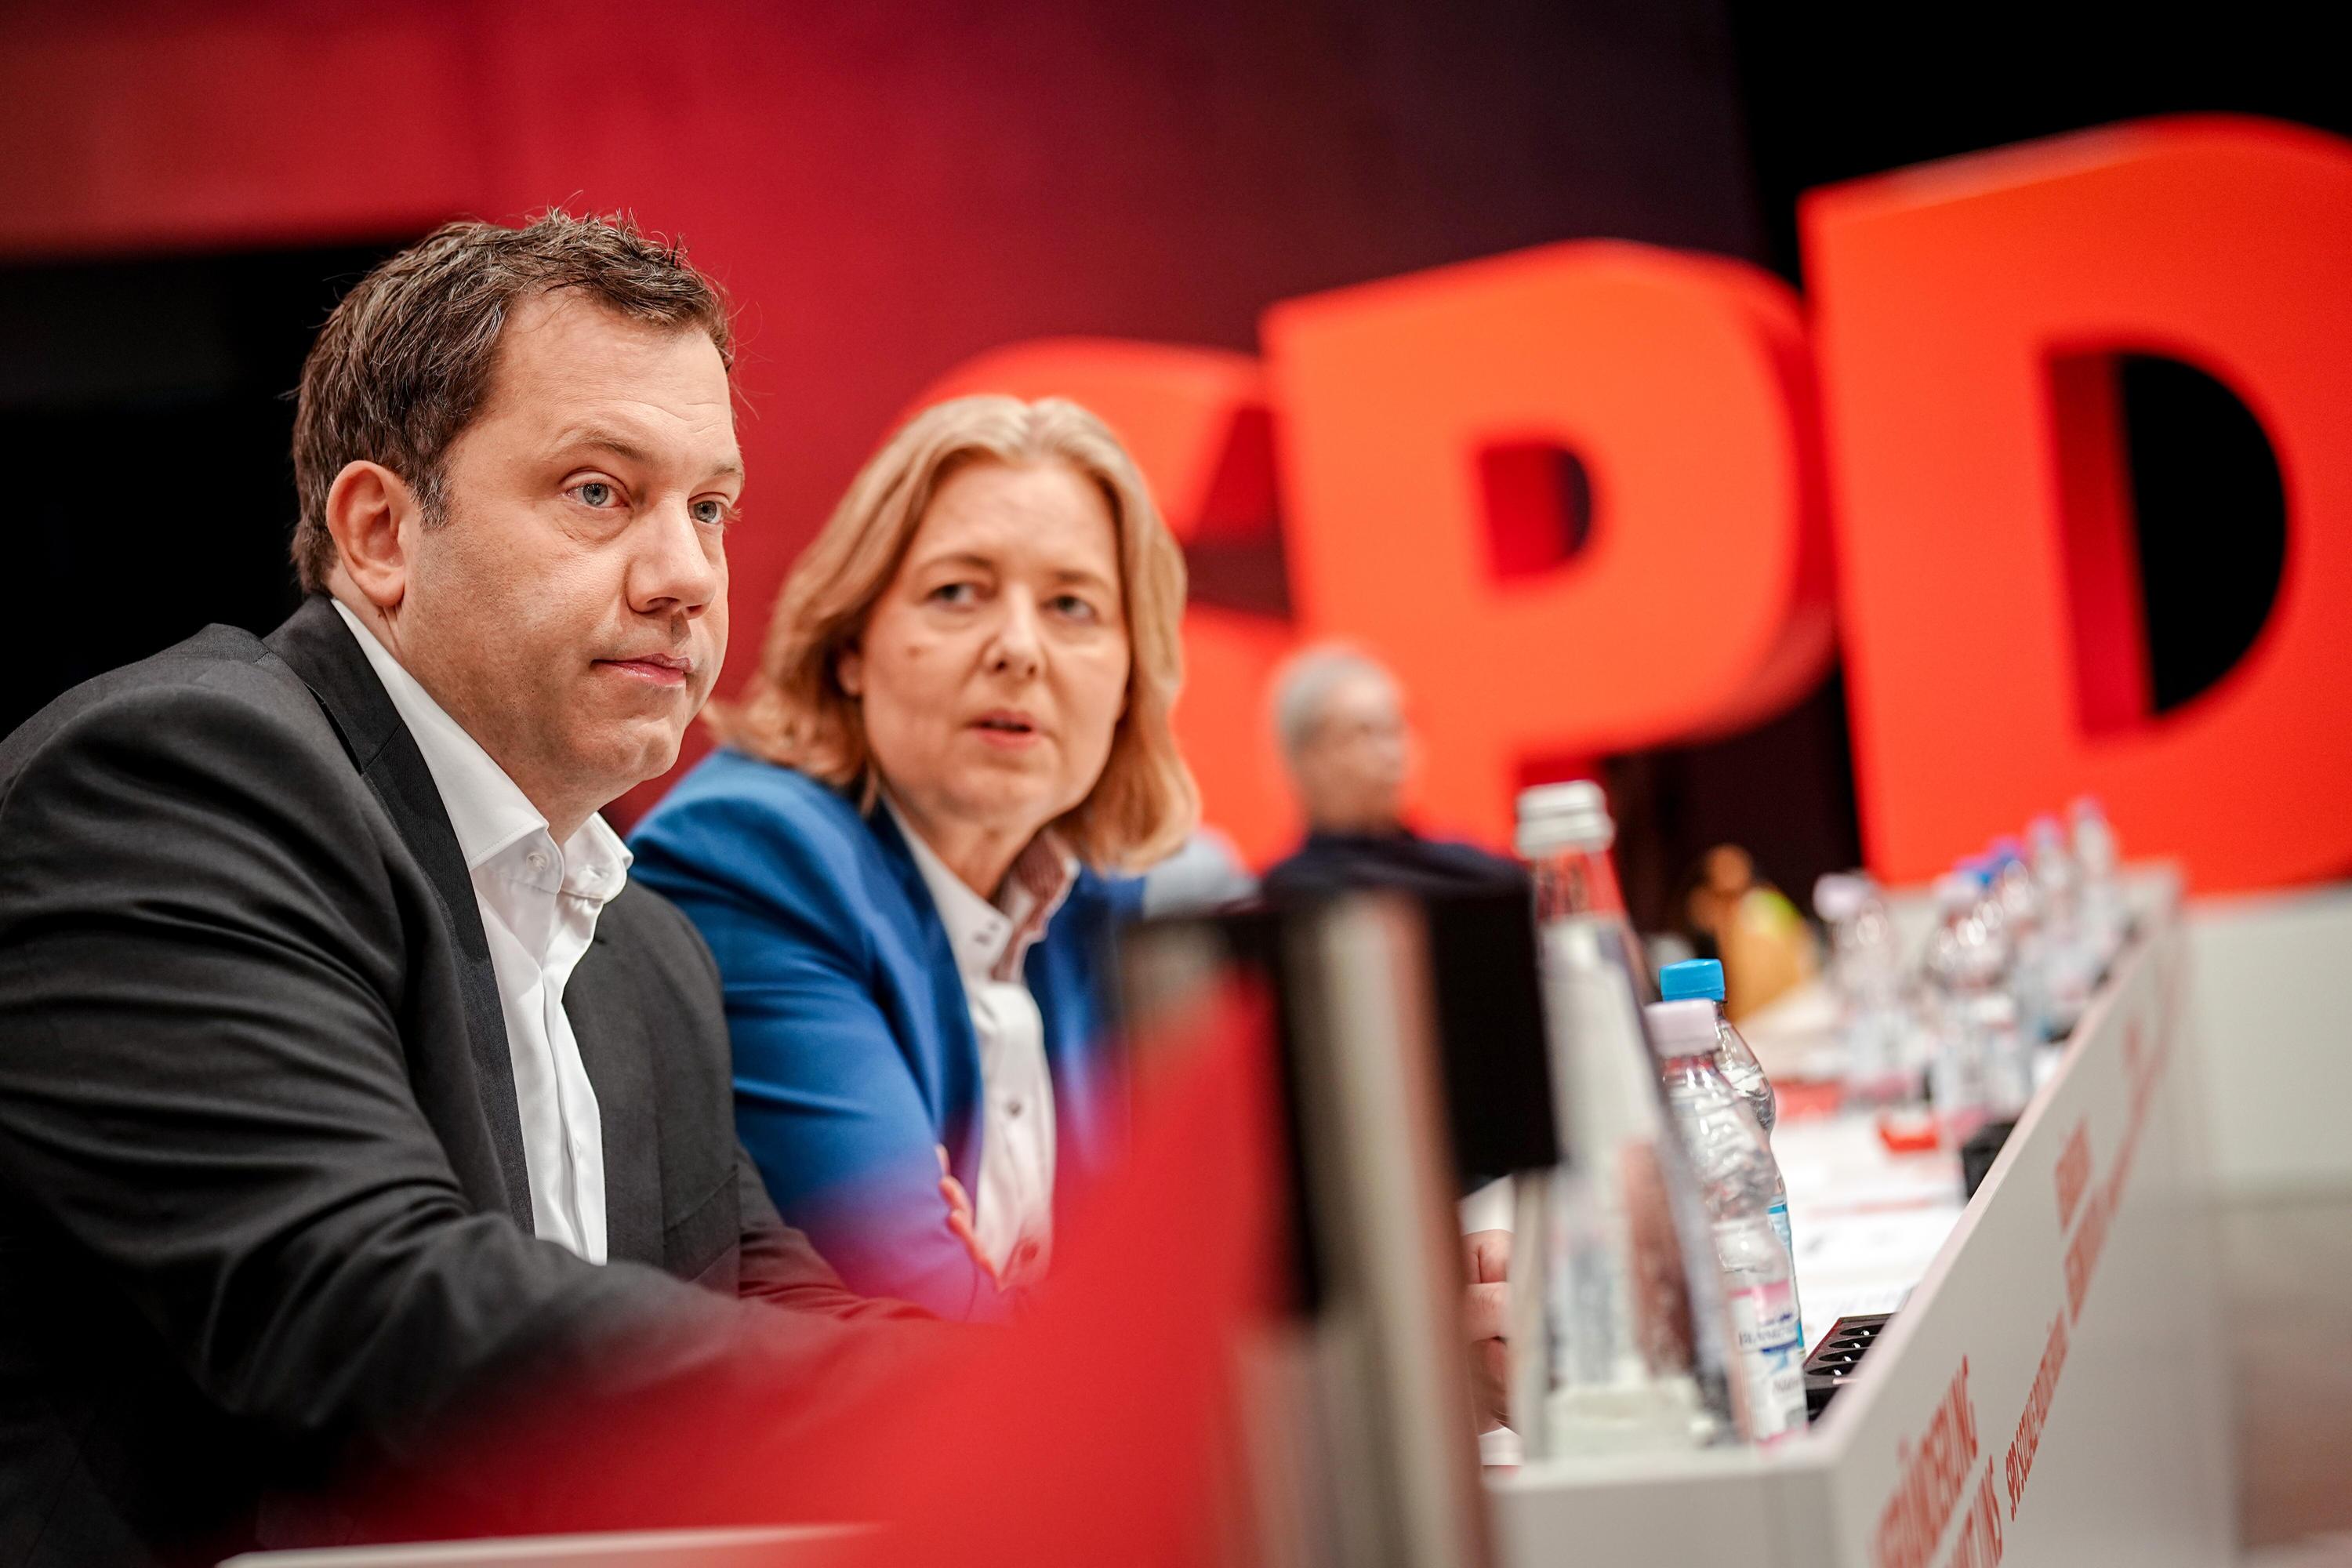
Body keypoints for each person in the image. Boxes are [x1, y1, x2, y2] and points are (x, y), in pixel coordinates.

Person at [0, 212, 933, 1566]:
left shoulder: (643, 944)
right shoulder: (177, 784)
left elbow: (769, 1308)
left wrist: (1058, 1400)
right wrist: (979, 1411)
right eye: (599, 492)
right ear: (382, 531)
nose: (686, 578)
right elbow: (373, 1309)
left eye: (709, 509)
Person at [629, 395, 1195, 1321]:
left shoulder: (1104, 897)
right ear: (852, 645)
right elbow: (921, 1316)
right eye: (958, 592)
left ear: (1132, 675)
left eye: (1073, 606)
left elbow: (1199, 1276)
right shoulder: (755, 856)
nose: (1019, 649)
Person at [1259, 644, 1526, 902]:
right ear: (1308, 756)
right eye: (1365, 733)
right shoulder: (1288, 894)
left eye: (1398, 728)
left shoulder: (1476, 868)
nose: (1394, 752)